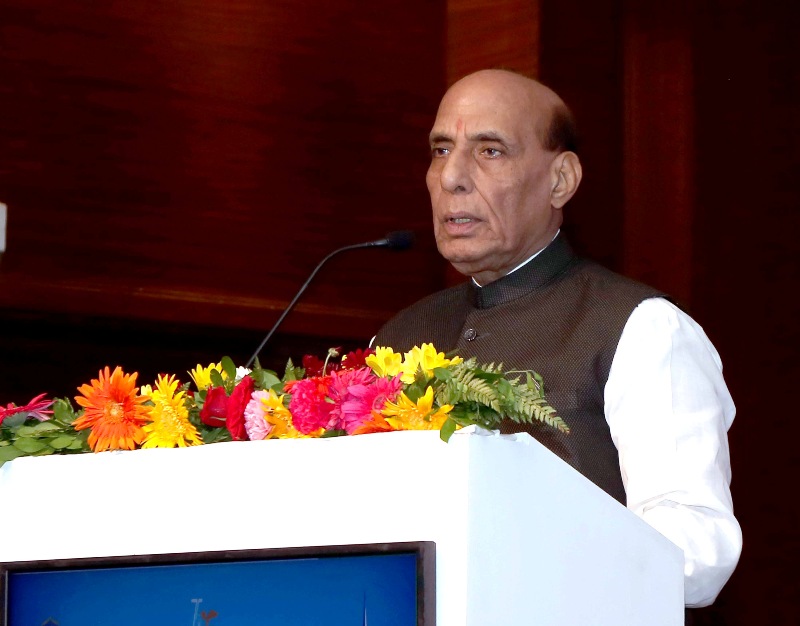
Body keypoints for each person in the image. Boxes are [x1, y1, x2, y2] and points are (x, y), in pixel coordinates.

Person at [373, 69, 741, 609]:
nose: (451, 176)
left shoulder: (640, 327)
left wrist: (527, 554)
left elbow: (696, 554)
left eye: (490, 151)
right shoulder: (397, 338)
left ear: (561, 180)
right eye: (441, 149)